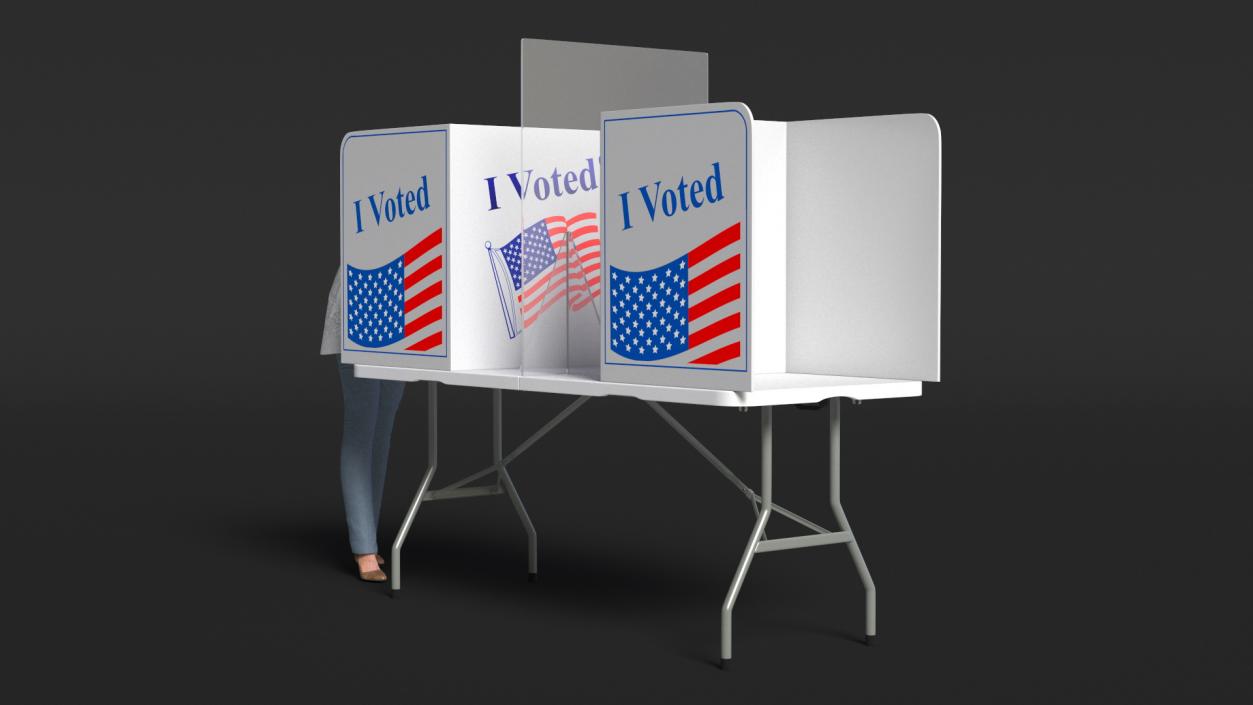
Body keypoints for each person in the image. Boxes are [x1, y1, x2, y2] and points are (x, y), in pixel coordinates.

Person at [322, 269, 405, 582]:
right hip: (362, 298)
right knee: (362, 424)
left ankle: (368, 536)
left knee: (382, 428)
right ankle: (363, 548)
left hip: (402, 307)